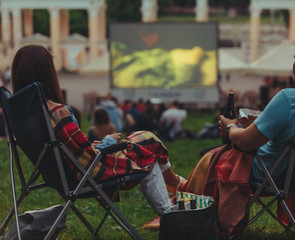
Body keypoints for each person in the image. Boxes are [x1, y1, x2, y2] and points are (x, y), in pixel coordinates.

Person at [180, 32, 295, 237]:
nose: (293, 64)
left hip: (273, 175)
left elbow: (247, 142)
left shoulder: (288, 99)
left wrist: (231, 127)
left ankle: (193, 215)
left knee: (215, 156)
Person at [10, 45, 185, 217]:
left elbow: (75, 153)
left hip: (60, 175)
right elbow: (87, 158)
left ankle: (175, 184)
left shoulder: (21, 114)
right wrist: (108, 141)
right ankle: (170, 211)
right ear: (48, 74)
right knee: (147, 148)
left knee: (146, 137)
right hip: (86, 175)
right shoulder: (57, 113)